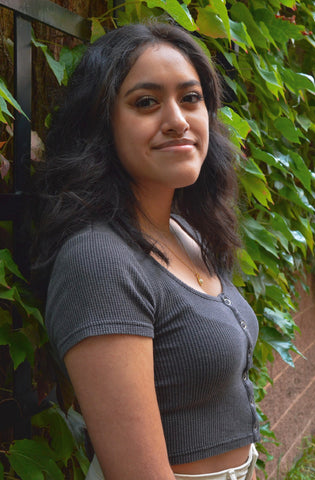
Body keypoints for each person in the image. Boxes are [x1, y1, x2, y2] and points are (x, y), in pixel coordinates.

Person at [33, 22, 260, 480]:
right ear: (102, 124)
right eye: (146, 102)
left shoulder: (184, 232)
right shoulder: (98, 260)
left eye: (190, 98)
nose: (177, 119)